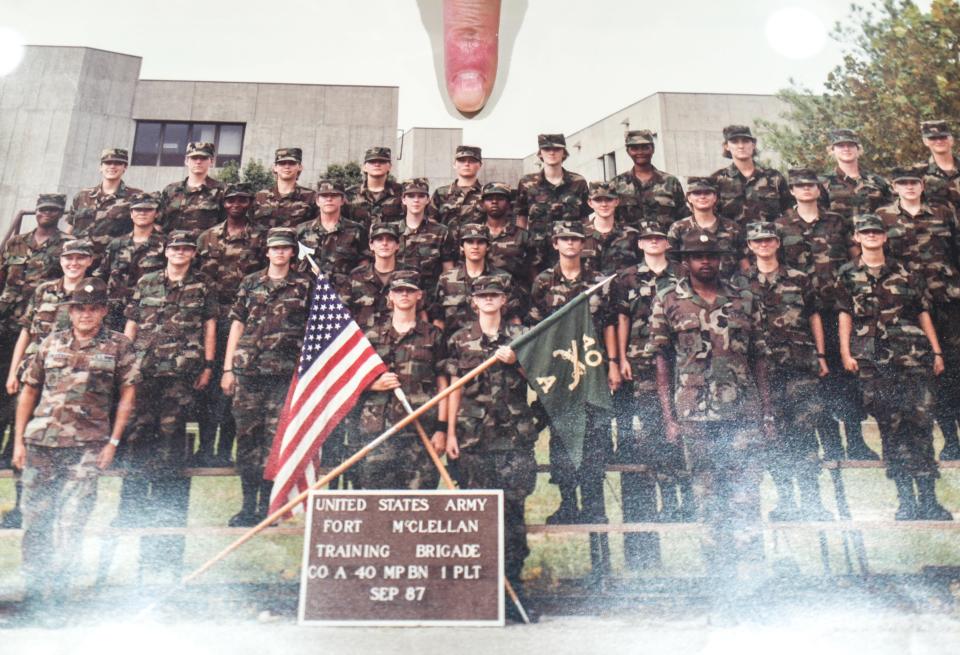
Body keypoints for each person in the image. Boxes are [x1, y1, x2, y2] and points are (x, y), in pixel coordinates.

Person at [648, 230, 774, 580]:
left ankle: (752, 581)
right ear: (684, 262)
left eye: (712, 255)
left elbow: (760, 357)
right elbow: (661, 361)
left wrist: (766, 412)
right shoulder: (668, 299)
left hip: (742, 415)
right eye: (697, 256)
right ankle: (719, 581)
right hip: (695, 418)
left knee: (746, 498)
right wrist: (669, 418)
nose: (706, 261)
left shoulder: (745, 298)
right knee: (707, 500)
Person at [12, 278, 137, 615]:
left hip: (87, 448)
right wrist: (19, 443)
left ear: (103, 311)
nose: (86, 314)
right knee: (36, 521)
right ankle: (33, 593)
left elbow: (128, 394)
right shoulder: (50, 343)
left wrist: (113, 441)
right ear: (70, 310)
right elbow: (29, 391)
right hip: (41, 445)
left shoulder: (118, 346)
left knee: (72, 523)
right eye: (79, 307)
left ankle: (59, 598)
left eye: (93, 308)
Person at [836, 214, 951, 521]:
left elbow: (922, 313)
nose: (871, 235)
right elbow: (845, 316)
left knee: (921, 424)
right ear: (858, 238)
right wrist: (846, 353)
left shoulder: (906, 272)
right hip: (874, 362)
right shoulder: (847, 275)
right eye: (865, 232)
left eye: (877, 231)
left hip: (912, 357)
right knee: (891, 427)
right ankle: (906, 502)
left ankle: (929, 501)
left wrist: (936, 350)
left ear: (885, 237)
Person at [120, 230, 218, 578]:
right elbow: (131, 324)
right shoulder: (147, 282)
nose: (180, 252)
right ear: (166, 250)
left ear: (193, 253)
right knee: (138, 430)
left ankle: (165, 502)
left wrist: (208, 364)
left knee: (172, 432)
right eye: (175, 247)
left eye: (186, 248)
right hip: (144, 370)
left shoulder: (202, 286)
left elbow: (209, 326)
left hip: (181, 371)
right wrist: (125, 361)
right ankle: (131, 501)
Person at [445, 275, 540, 621]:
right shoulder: (460, 340)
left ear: (504, 300)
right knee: (475, 518)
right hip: (473, 440)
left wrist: (517, 361)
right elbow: (453, 388)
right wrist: (451, 432)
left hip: (513, 441)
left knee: (512, 519)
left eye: (494, 295)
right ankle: (481, 596)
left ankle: (513, 593)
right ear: (473, 301)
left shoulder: (522, 337)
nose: (488, 300)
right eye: (482, 295)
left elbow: (541, 379)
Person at [735, 222, 833, 521]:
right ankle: (786, 501)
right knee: (773, 436)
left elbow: (814, 317)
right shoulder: (740, 283)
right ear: (750, 246)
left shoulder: (799, 278)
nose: (763, 245)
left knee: (805, 433)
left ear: (777, 243)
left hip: (800, 366)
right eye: (757, 241)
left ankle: (813, 501)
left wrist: (821, 355)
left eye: (768, 240)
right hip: (763, 372)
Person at [774, 168, 872, 460]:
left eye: (811, 185)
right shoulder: (781, 225)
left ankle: (855, 441)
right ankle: (830, 445)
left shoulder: (836, 222)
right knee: (817, 377)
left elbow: (855, 258)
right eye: (800, 185)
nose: (806, 189)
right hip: (800, 316)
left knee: (846, 377)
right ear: (791, 190)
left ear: (819, 189)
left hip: (835, 310)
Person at [610, 220, 691, 570]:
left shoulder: (681, 273)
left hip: (681, 358)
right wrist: (623, 356)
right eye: (648, 238)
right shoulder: (628, 277)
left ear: (665, 242)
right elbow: (622, 318)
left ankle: (685, 497)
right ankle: (666, 495)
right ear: (640, 243)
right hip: (643, 361)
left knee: (685, 423)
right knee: (655, 426)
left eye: (659, 238)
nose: (654, 243)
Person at [221, 227, 312, 526]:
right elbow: (237, 324)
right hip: (248, 374)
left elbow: (313, 330)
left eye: (286, 248)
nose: (280, 253)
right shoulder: (250, 283)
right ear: (267, 252)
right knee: (247, 442)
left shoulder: (304, 284)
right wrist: (228, 368)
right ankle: (248, 507)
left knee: (276, 444)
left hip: (284, 377)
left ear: (292, 252)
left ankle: (268, 506)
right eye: (275, 248)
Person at [2, 239, 94, 530]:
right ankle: (22, 507)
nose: (74, 263)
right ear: (61, 260)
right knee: (29, 440)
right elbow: (27, 332)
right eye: (69, 258)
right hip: (35, 376)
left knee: (61, 446)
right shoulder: (44, 290)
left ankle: (57, 512)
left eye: (80, 259)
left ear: (89, 262)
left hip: (69, 380)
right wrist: (13, 371)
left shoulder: (92, 293)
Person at [528, 221, 614, 530]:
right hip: (558, 370)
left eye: (576, 239)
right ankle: (568, 503)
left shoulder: (598, 281)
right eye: (564, 239)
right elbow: (536, 328)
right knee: (562, 437)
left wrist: (613, 362)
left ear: (583, 244)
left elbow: (609, 323)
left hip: (591, 368)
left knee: (593, 437)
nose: (570, 244)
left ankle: (593, 505)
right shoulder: (543, 282)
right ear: (555, 243)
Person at [876, 165, 960, 462]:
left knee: (954, 369)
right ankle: (949, 439)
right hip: (910, 308)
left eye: (914, 182)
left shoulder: (943, 211)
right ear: (894, 186)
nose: (909, 187)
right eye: (903, 183)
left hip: (947, 301)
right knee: (926, 372)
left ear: (922, 185)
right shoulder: (883, 217)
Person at [352, 270, 447, 490]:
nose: (404, 294)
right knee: (377, 506)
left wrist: (441, 428)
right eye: (399, 290)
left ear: (419, 295)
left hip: (420, 430)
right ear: (390, 297)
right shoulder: (371, 335)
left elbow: (443, 384)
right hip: (378, 430)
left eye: (410, 291)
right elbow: (350, 380)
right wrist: (375, 384)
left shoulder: (433, 335)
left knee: (419, 505)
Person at [195, 183, 268, 466]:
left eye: (242, 200)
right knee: (208, 385)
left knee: (232, 388)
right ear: (223, 204)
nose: (236, 204)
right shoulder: (207, 238)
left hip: (246, 323)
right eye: (231, 200)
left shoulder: (260, 239)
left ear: (250, 203)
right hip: (211, 321)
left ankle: (225, 451)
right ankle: (204, 448)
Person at [0, 194, 67, 468]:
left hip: (39, 331)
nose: (46, 214)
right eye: (42, 210)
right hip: (6, 327)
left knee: (26, 392)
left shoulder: (65, 246)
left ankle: (12, 452)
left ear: (60, 213)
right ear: (36, 212)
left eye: (52, 210)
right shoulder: (16, 242)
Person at [430, 223, 524, 338]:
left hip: (494, 345)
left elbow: (514, 319)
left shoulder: (503, 279)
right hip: (456, 347)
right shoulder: (446, 280)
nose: (475, 247)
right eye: (470, 242)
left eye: (480, 242)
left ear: (488, 246)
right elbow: (439, 321)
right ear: (461, 246)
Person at [94, 191, 167, 330]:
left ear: (157, 213)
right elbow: (101, 276)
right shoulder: (116, 244)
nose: (142, 213)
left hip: (147, 312)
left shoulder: (165, 245)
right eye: (138, 209)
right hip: (114, 312)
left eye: (148, 209)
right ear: (131, 214)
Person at [515, 134, 590, 264]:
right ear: (540, 154)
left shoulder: (578, 182)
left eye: (556, 149)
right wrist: (521, 246)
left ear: (564, 153)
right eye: (546, 149)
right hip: (537, 253)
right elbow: (521, 218)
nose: (551, 153)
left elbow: (584, 218)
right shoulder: (527, 183)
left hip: (570, 250)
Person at [65, 148, 142, 267]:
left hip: (112, 262)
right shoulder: (82, 196)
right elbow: (70, 228)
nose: (112, 166)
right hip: (80, 262)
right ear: (100, 167)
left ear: (125, 168)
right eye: (108, 163)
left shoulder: (134, 196)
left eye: (117, 163)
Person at [709, 125, 791, 230]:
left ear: (753, 144)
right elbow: (710, 214)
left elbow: (788, 210)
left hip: (766, 242)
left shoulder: (774, 177)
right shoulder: (717, 179)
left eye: (745, 141)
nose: (741, 146)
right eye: (734, 142)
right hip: (733, 242)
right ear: (726, 146)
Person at [608, 129, 689, 231]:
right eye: (634, 148)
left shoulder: (670, 182)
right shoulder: (616, 184)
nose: (640, 152)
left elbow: (683, 217)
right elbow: (608, 218)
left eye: (645, 148)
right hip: (628, 244)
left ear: (653, 149)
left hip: (664, 243)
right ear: (627, 151)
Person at [296, 179, 369, 289]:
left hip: (343, 294)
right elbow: (292, 263)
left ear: (343, 200)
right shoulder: (302, 230)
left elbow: (364, 265)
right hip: (308, 293)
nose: (329, 199)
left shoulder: (356, 230)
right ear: (317, 201)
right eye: (324, 196)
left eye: (334, 195)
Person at [667, 178, 746, 275]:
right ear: (689, 198)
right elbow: (671, 260)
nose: (702, 196)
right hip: (690, 285)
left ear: (715, 197)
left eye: (707, 193)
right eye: (697, 193)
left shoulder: (733, 228)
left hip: (728, 285)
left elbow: (743, 260)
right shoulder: (678, 228)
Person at [395, 178, 456, 294]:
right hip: (400, 296)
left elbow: (448, 270)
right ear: (403, 199)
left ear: (427, 200)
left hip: (430, 297)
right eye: (411, 196)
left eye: (421, 196)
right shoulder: (392, 231)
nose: (416, 200)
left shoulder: (441, 232)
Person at [343, 222, 406, 331]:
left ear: (397, 245)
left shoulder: (409, 274)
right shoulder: (356, 276)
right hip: (364, 344)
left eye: (390, 239)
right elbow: (344, 314)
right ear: (371, 245)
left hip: (399, 342)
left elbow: (420, 313)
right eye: (379, 239)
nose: (384, 243)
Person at [823, 129, 892, 223]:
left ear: (858, 149)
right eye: (840, 145)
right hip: (837, 236)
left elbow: (890, 213)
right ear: (832, 150)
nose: (846, 149)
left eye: (851, 145)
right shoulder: (824, 183)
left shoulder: (878, 182)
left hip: (872, 235)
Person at [479, 182, 538, 286]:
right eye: (489, 199)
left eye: (500, 199)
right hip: (482, 295)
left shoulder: (523, 236)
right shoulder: (475, 234)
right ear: (482, 204)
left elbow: (532, 272)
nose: (494, 202)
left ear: (509, 204)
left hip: (514, 295)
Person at [158, 142, 225, 234]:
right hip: (174, 246)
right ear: (186, 161)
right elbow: (158, 223)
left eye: (204, 158)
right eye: (194, 158)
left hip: (205, 247)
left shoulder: (221, 190)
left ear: (212, 161)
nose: (198, 161)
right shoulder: (170, 190)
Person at [580, 182, 638, 275]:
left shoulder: (631, 235)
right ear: (590, 203)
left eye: (609, 199)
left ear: (616, 202)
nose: (604, 204)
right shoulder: (580, 235)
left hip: (623, 288)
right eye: (598, 200)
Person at [253, 147, 317, 229]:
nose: (287, 166)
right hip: (266, 241)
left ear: (300, 167)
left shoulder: (311, 197)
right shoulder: (260, 197)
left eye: (292, 163)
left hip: (296, 241)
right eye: (282, 163)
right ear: (275, 168)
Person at [346, 147, 404, 228]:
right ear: (364, 167)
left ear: (390, 166)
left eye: (382, 161)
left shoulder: (402, 193)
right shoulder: (349, 195)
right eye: (372, 161)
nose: (377, 164)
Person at [431, 145, 485, 229]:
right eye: (462, 160)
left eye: (472, 161)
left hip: (475, 242)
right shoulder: (441, 193)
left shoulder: (486, 194)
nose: (467, 164)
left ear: (480, 165)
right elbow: (431, 223)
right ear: (454, 164)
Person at [921, 119, 960, 212]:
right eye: (933, 138)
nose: (939, 141)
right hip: (938, 225)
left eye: (943, 137)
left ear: (951, 140)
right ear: (925, 141)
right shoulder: (918, 173)